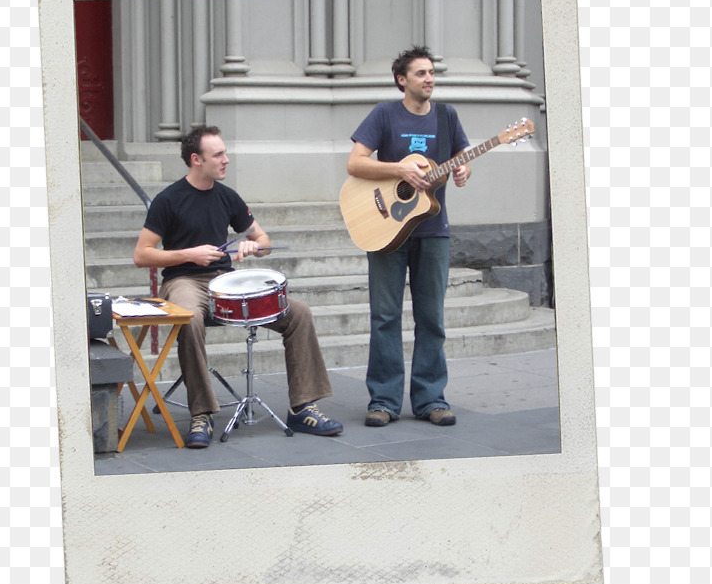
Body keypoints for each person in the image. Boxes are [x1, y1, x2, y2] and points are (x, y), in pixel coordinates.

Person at [133, 125, 343, 448]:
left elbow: (264, 240)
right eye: (218, 155)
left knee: (298, 312)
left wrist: (253, 246)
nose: (226, 160)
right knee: (188, 315)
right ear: (196, 160)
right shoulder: (168, 200)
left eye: (225, 153)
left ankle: (302, 407)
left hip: (224, 283)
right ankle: (201, 413)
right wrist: (189, 254)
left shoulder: (227, 196)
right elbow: (141, 254)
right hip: (184, 280)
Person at [346, 46, 471, 428]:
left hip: (432, 229)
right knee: (385, 316)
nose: (429, 79)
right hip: (387, 230)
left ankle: (431, 398)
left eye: (432, 72)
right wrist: (398, 169)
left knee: (431, 318)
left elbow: (461, 155)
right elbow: (355, 162)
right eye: (421, 73)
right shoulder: (385, 113)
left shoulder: (447, 117)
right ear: (402, 80)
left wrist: (464, 169)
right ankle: (383, 400)